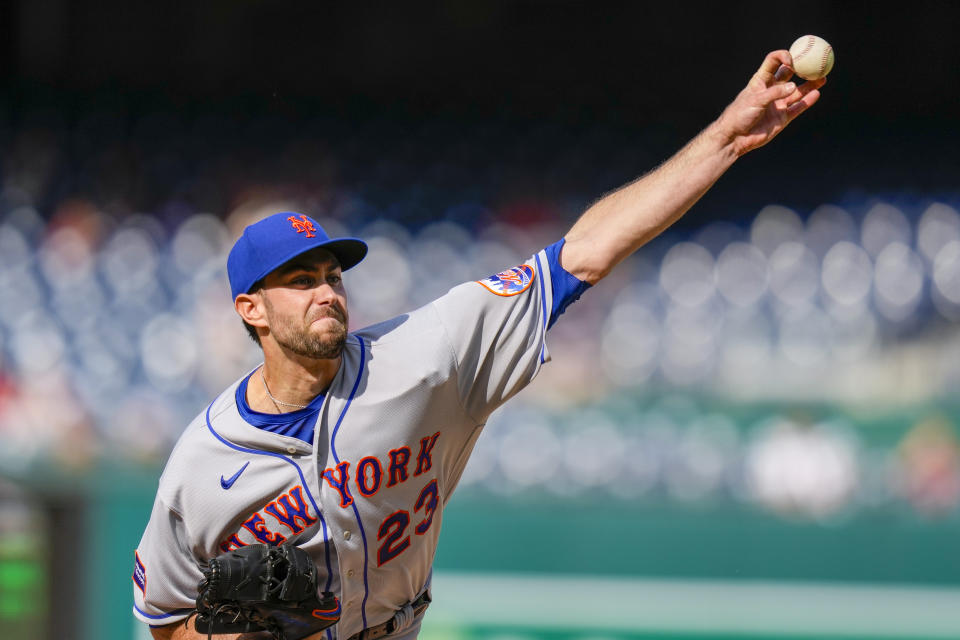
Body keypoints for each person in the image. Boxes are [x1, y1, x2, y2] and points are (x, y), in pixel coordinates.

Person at [133, 50, 824, 640]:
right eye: (299, 280)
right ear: (250, 309)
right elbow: (163, 625)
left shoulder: (430, 354)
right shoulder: (201, 461)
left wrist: (729, 139)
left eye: (332, 274)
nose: (327, 291)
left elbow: (582, 255)